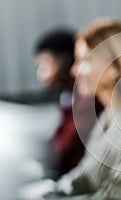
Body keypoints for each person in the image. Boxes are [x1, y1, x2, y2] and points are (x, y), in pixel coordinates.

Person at [37, 18, 121, 200]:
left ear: (113, 68)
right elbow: (85, 174)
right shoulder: (107, 117)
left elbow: (119, 195)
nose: (74, 71)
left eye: (84, 61)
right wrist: (54, 190)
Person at [34, 29, 103, 177]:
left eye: (46, 64)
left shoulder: (87, 99)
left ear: (65, 61)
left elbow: (66, 151)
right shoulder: (68, 97)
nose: (41, 72)